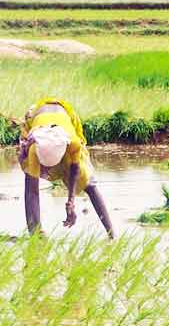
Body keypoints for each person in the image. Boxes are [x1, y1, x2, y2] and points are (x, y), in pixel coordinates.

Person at [17, 98, 114, 237]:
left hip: (64, 118)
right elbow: (32, 193)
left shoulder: (72, 143)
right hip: (37, 121)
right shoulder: (33, 148)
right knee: (29, 181)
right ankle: (35, 233)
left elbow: (75, 169)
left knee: (89, 182)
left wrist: (71, 201)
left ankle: (112, 234)